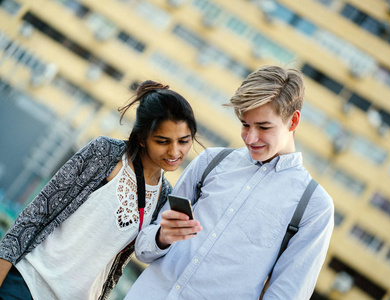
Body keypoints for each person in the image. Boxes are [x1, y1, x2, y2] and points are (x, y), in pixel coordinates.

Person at [124, 65, 334, 300]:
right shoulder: (211, 162)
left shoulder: (314, 206)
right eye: (245, 125)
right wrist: (163, 237)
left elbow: (287, 295)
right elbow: (143, 248)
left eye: (263, 127)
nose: (250, 137)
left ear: (293, 121)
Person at [0, 80, 201, 300]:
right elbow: (37, 213)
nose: (175, 151)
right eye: (162, 141)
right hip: (27, 284)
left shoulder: (163, 196)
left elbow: (124, 262)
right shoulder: (106, 154)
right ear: (142, 138)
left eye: (183, 141)